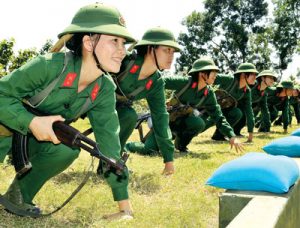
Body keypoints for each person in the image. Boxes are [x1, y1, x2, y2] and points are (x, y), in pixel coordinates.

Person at [0, 3, 135, 219]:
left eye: (124, 42)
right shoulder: (49, 66)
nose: (123, 50)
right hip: (3, 131)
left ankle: (18, 196)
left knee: (67, 148)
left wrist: (124, 208)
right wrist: (32, 122)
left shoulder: (104, 88)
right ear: (89, 42)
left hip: (30, 141)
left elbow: (109, 144)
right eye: (114, 41)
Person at [97, 27, 180, 176]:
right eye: (166, 50)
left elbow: (160, 117)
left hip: (117, 109)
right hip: (92, 101)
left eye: (173, 52)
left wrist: (169, 160)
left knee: (129, 115)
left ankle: (109, 163)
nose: (171, 56)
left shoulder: (156, 82)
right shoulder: (124, 60)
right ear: (150, 48)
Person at [125, 57, 243, 154]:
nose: (216, 75)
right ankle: (129, 145)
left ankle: (181, 145)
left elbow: (218, 117)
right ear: (202, 73)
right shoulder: (184, 82)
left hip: (182, 124)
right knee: (149, 150)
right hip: (165, 123)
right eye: (213, 72)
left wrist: (231, 136)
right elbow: (159, 80)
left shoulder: (209, 94)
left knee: (198, 123)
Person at [212, 63, 257, 142]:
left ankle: (219, 135)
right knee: (202, 125)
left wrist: (250, 135)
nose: (255, 77)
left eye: (255, 74)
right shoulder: (229, 79)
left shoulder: (246, 91)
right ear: (243, 75)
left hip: (225, 111)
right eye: (252, 74)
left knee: (237, 113)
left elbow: (249, 111)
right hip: (211, 109)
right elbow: (208, 78)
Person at [234, 69, 277, 134]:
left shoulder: (264, 93)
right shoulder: (251, 85)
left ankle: (235, 132)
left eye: (273, 78)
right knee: (241, 116)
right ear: (262, 78)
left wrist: (268, 129)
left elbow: (265, 111)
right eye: (270, 78)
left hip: (247, 107)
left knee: (243, 121)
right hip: (236, 104)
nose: (273, 80)